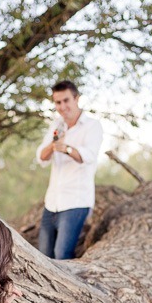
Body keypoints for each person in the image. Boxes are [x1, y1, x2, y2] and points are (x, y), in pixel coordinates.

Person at [36, 80, 103, 259]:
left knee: (61, 255)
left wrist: (65, 148)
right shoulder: (56, 125)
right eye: (58, 102)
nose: (62, 107)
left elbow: (88, 156)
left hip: (76, 201)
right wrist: (53, 145)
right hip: (52, 202)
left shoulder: (92, 126)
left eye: (66, 101)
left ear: (76, 98)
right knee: (43, 255)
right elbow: (41, 157)